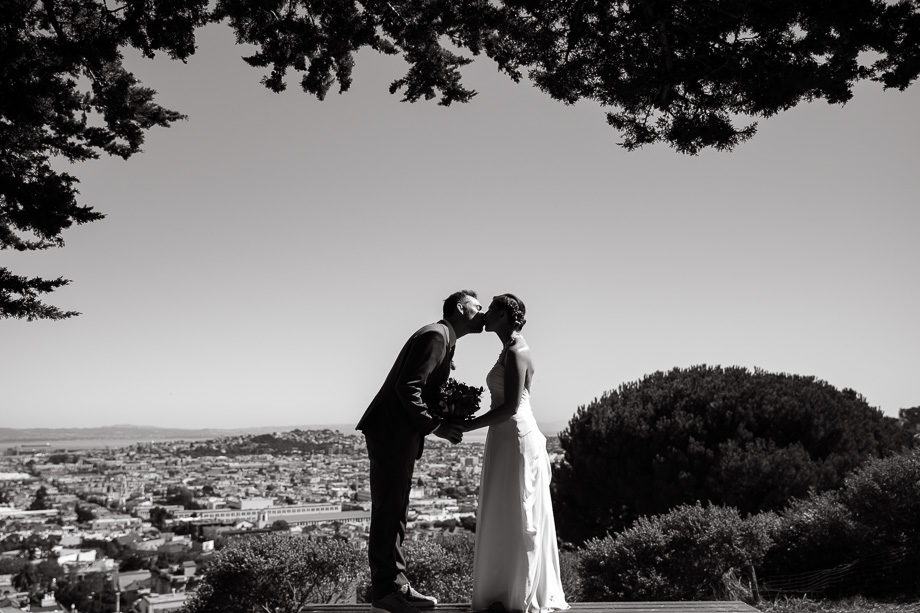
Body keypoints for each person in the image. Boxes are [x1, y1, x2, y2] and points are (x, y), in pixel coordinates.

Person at [357, 290, 485, 613]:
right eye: (477, 306)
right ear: (460, 307)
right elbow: (408, 388)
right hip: (392, 434)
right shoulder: (436, 336)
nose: (482, 312)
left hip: (397, 435)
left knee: (395, 511)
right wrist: (437, 426)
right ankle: (388, 591)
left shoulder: (443, 338)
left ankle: (394, 588)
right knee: (389, 512)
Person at [459, 294, 569, 613]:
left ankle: (516, 592)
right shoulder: (507, 349)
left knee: (518, 510)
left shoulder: (517, 350)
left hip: (516, 435)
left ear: (506, 315)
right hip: (504, 434)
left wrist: (467, 427)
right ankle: (504, 589)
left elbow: (508, 406)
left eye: (491, 309)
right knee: (504, 508)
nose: (486, 314)